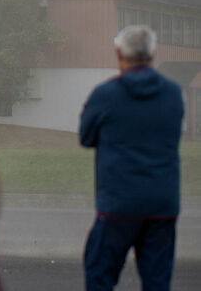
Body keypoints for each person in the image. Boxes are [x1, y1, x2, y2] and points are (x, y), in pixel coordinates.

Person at [79, 25, 184, 291]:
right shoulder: (173, 93)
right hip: (162, 203)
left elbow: (86, 137)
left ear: (119, 53)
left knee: (100, 274)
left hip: (118, 203)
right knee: (157, 282)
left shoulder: (106, 95)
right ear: (154, 53)